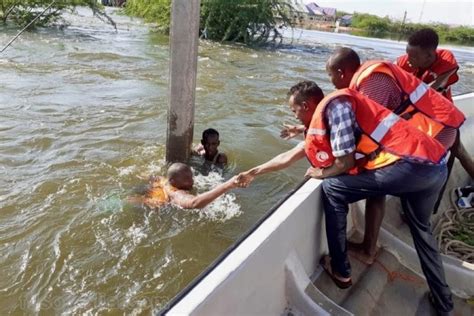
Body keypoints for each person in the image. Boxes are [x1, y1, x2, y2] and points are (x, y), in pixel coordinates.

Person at [239, 80, 453, 315]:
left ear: (307, 105)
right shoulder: (337, 110)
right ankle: (444, 302)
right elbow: (289, 156)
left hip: (409, 168)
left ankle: (340, 269)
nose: (295, 116)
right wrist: (255, 171)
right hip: (435, 165)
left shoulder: (336, 107)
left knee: (332, 188)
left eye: (295, 110)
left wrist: (321, 172)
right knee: (422, 232)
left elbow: (345, 162)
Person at [397, 28, 474, 178]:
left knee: (459, 152)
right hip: (415, 117)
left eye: (414, 56)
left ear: (430, 55)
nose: (409, 59)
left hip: (442, 118)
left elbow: (435, 88)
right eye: (408, 53)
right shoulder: (403, 62)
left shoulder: (445, 58)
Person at [128, 162, 240, 209]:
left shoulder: (164, 180)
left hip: (135, 198)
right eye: (187, 179)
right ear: (174, 181)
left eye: (191, 177)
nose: (192, 181)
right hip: (139, 206)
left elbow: (148, 176)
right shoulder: (176, 193)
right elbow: (194, 203)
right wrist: (228, 185)